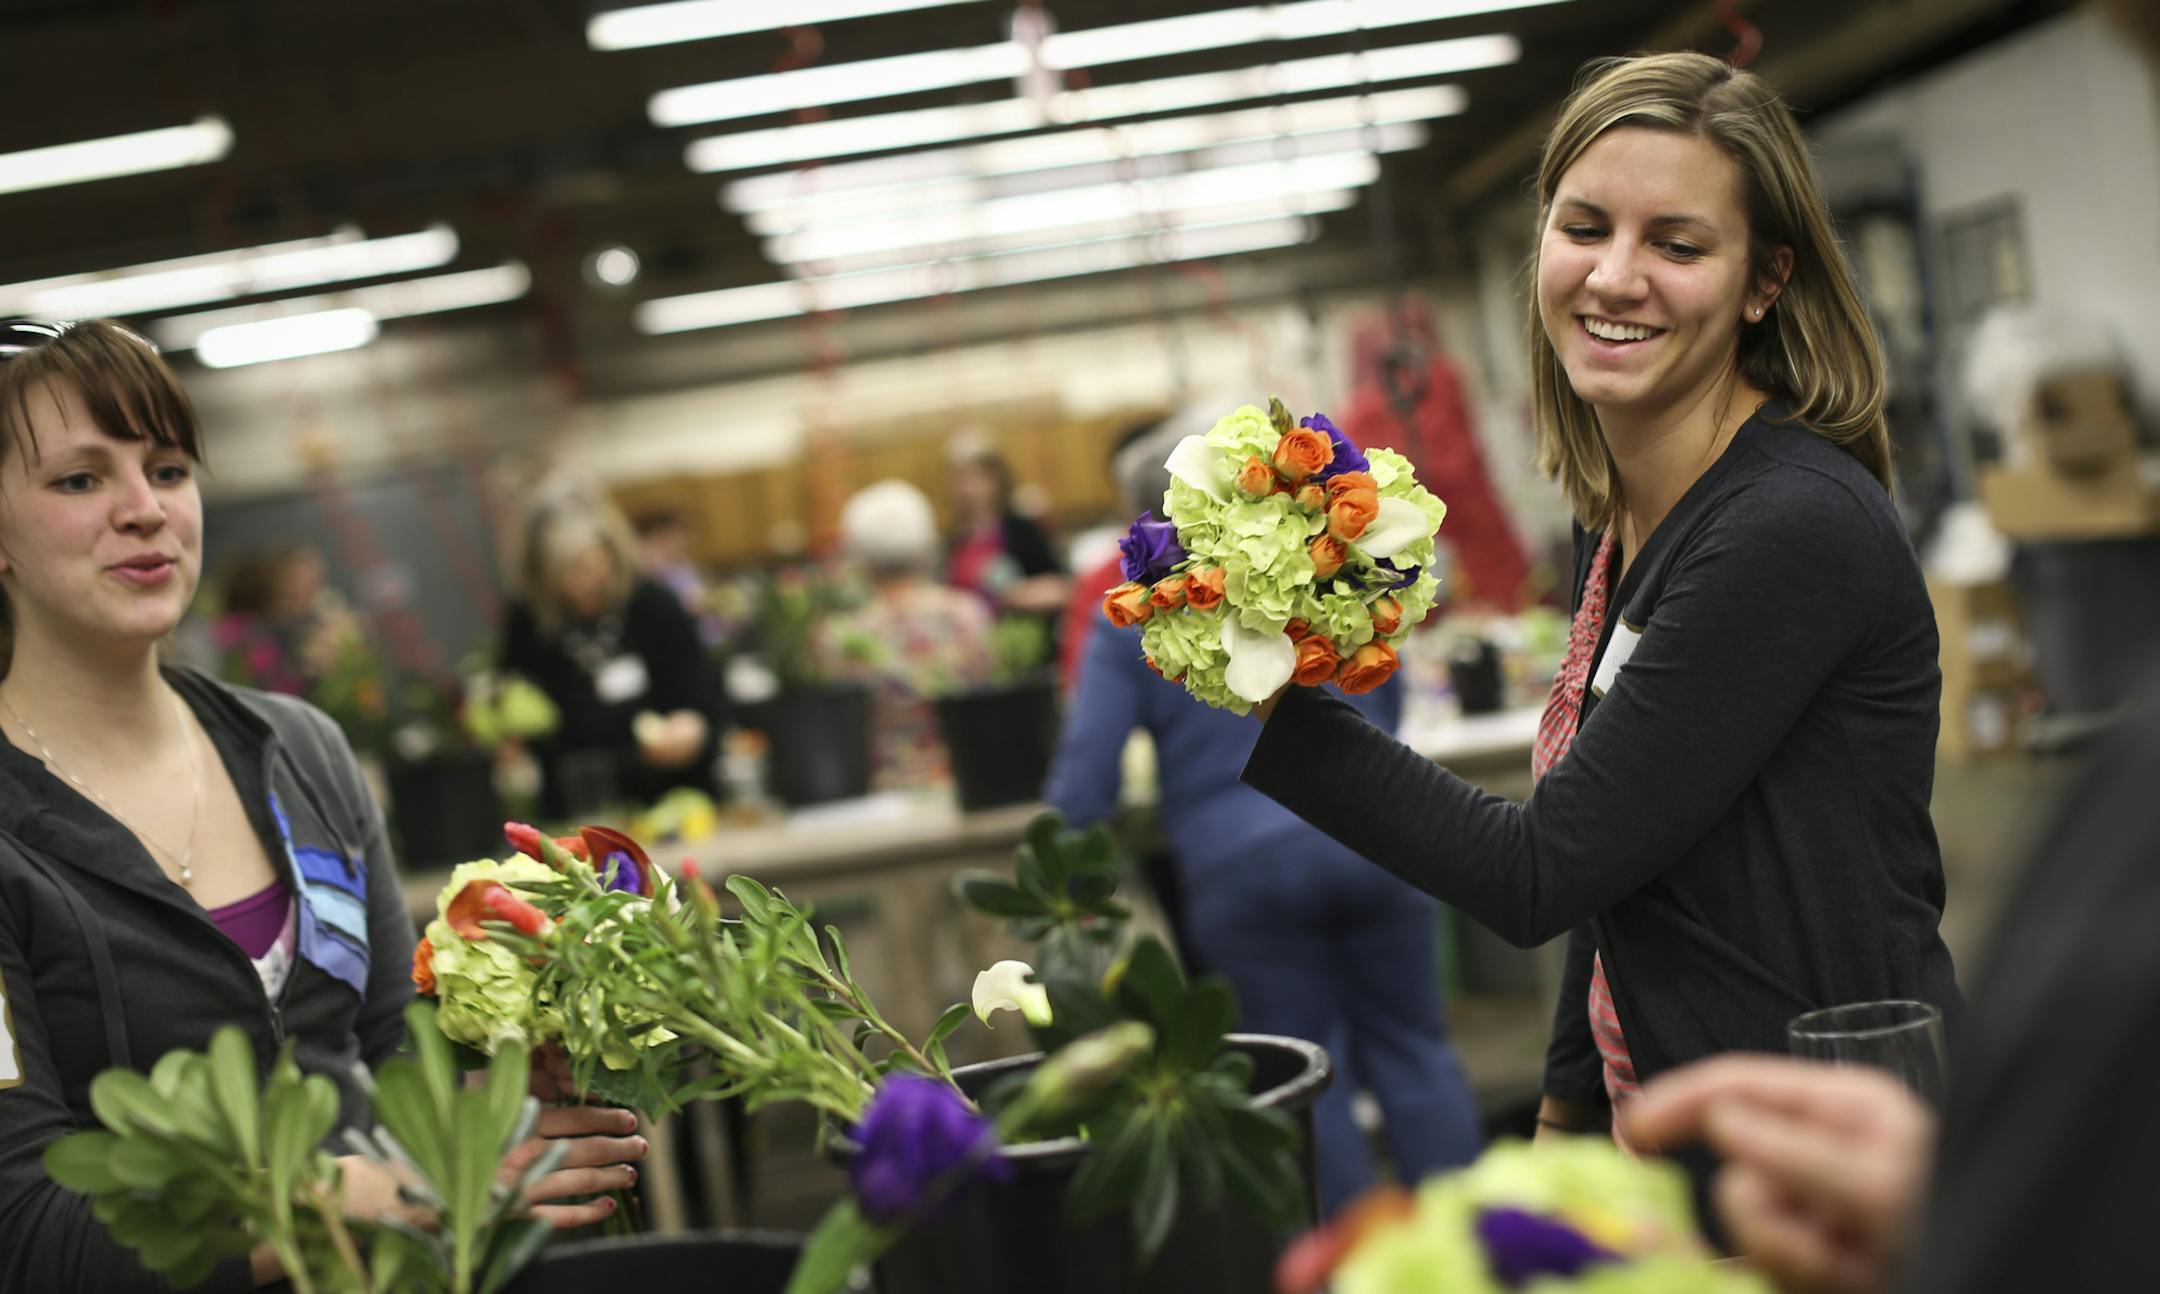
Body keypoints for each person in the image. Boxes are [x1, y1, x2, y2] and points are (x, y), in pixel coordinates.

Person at [1241, 51, 1961, 1164]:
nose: (1615, 277)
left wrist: (1271, 695)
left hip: (1820, 1147)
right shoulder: (1620, 517)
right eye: (1585, 228)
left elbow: (1547, 868)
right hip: (1682, 1120)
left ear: (1763, 282)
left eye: (1676, 244)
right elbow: (1620, 856)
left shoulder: (1787, 528)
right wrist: (1568, 1115)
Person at [0, 319, 644, 1293]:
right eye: (79, 479)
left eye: (168, 468)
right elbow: (29, 1234)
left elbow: (384, 1051)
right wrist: (357, 1194)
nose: (144, 509)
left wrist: (499, 1099)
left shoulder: (300, 752)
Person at [1048, 499, 1484, 1216]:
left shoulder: (1138, 608)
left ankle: (1347, 1273)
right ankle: (1483, 1260)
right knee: (1418, 1054)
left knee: (1306, 1088)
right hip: (1379, 835)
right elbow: (1388, 689)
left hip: (1240, 870)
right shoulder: (1320, 561)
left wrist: (1061, 900)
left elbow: (1084, 785)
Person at [501, 498, 727, 817]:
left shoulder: (653, 604)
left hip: (673, 794)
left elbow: (706, 694)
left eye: (593, 566)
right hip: (580, 802)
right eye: (571, 572)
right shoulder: (529, 623)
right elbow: (519, 706)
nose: (585, 583)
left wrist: (694, 726)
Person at [816, 479, 995, 790]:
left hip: (885, 790)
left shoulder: (841, 638)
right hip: (968, 778)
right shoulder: (966, 616)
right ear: (927, 543)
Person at [945, 439, 1068, 620]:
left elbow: (1062, 587)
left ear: (996, 480)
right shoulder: (955, 540)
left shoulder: (1021, 530)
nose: (968, 490)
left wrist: (1018, 595)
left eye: (976, 479)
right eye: (961, 480)